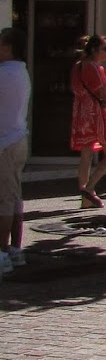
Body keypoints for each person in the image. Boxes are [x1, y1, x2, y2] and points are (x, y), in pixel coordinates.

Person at [70, 33, 106, 211]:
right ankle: (90, 188)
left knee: (86, 154)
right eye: (105, 49)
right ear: (94, 50)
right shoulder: (95, 68)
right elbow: (105, 97)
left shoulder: (77, 67)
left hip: (81, 113)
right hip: (96, 114)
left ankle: (84, 194)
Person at [0, 29, 30, 272]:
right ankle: (15, 248)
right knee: (15, 196)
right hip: (18, 138)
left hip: (6, 142)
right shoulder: (21, 71)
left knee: (5, 199)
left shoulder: (5, 73)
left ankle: (3, 252)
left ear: (8, 47)